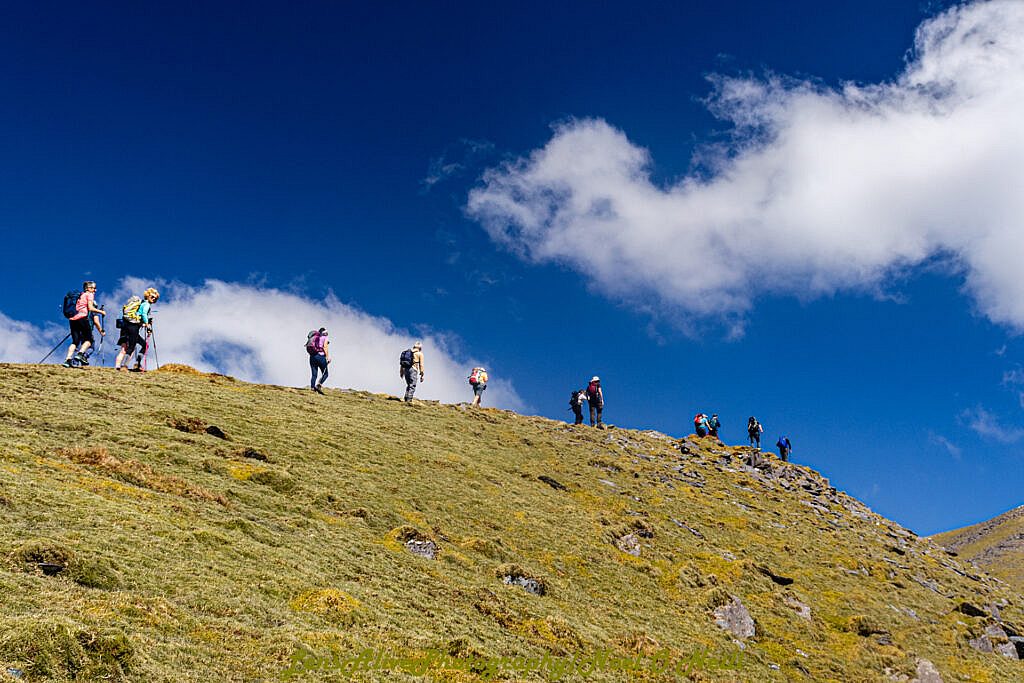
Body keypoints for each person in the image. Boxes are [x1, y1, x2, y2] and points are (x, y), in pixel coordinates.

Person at [115, 288, 159, 372]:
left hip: (130, 326)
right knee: (132, 346)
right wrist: (147, 325)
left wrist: (145, 322)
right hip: (133, 327)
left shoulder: (142, 304)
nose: (154, 299)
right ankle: (125, 366)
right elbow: (143, 314)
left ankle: (137, 364)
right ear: (148, 295)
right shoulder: (146, 304)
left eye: (155, 298)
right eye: (152, 297)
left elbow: (140, 316)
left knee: (144, 345)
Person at [63, 281, 105, 367]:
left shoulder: (80, 295)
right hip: (82, 318)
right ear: (88, 288)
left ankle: (68, 360)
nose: (95, 290)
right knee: (89, 340)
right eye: (93, 288)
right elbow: (90, 308)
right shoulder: (89, 295)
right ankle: (80, 354)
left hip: (73, 319)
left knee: (75, 341)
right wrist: (101, 312)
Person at [306, 328, 330, 393]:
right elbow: (325, 347)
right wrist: (327, 357)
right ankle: (318, 386)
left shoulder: (315, 337)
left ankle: (312, 388)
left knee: (314, 374)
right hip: (320, 357)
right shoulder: (325, 338)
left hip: (312, 357)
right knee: (325, 374)